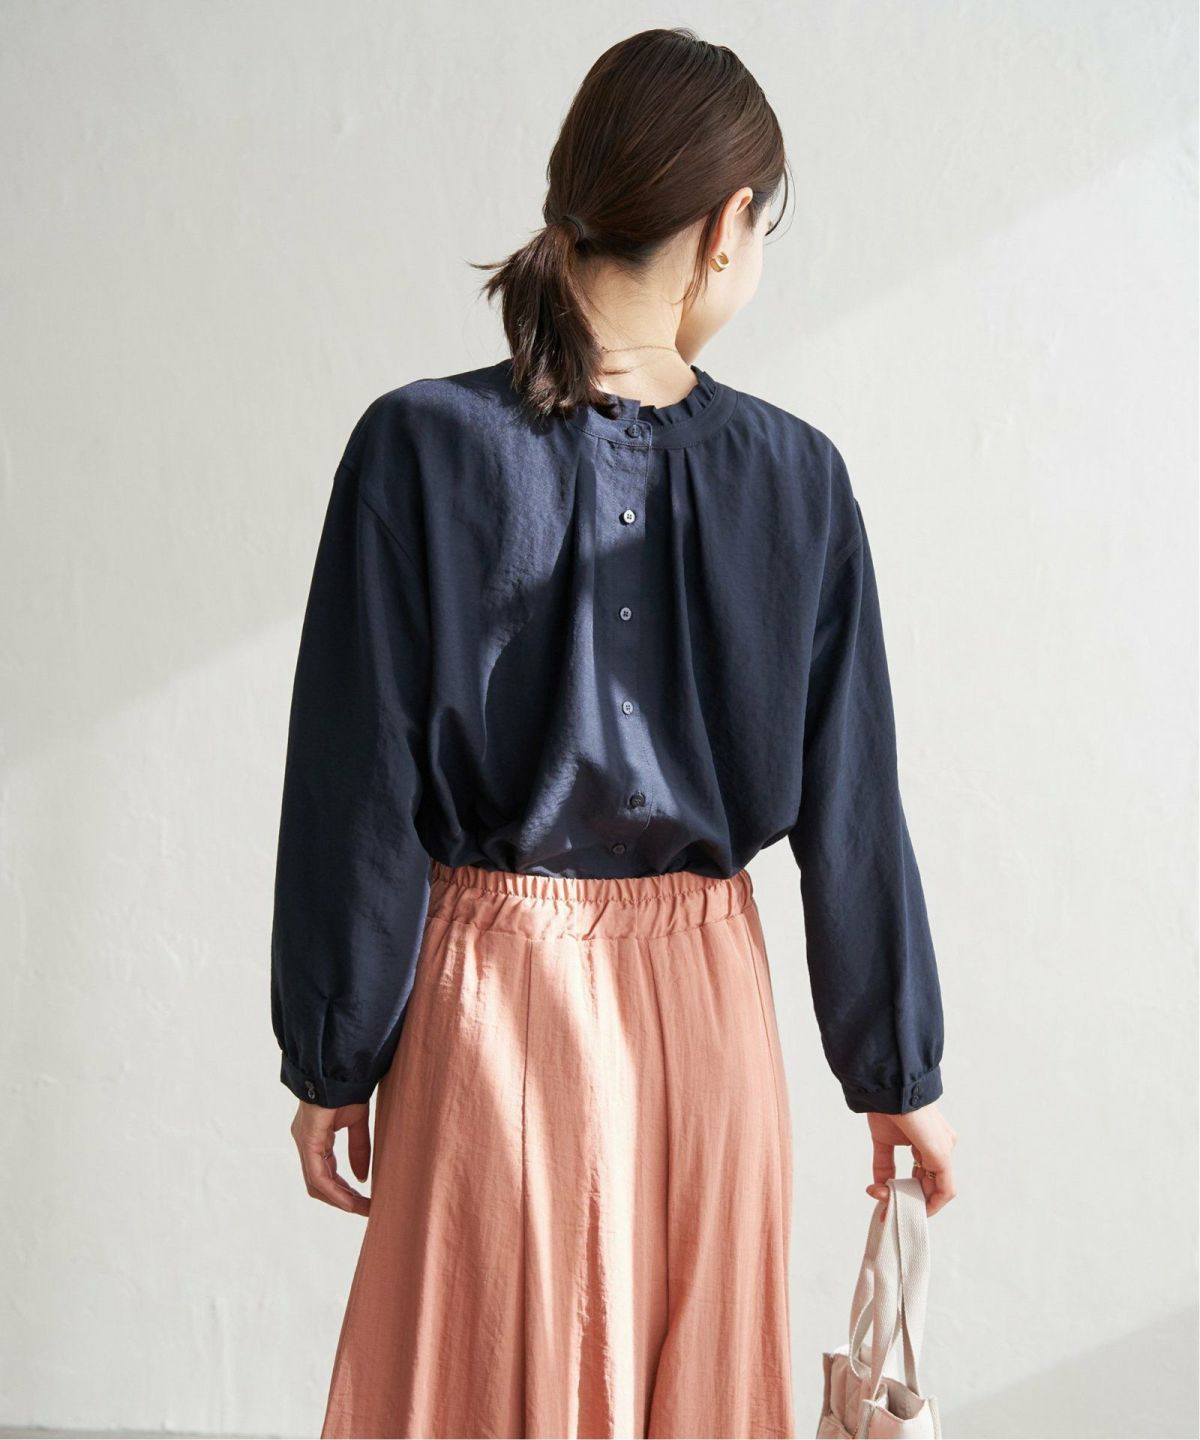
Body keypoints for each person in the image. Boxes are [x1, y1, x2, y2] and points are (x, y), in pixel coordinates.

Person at [270, 25, 958, 1440]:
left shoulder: (416, 449)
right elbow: (853, 808)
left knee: (477, 1392)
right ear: (726, 227)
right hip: (707, 1013)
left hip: (489, 1006)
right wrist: (896, 1079)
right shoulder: (801, 481)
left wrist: (334, 1058)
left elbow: (357, 790)